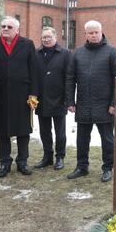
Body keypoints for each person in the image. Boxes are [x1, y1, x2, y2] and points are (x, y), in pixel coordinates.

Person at [65, 20, 116, 182]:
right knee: (82, 139)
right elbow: (70, 78)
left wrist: (114, 103)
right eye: (90, 33)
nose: (93, 35)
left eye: (96, 32)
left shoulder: (112, 52)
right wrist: (70, 101)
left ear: (101, 31)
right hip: (83, 104)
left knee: (107, 139)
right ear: (86, 34)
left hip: (105, 106)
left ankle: (107, 168)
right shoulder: (77, 53)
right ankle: (81, 167)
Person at [0, 16, 39, 178]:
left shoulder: (27, 44)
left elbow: (34, 70)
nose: (6, 29)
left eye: (9, 26)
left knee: (23, 130)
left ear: (17, 30)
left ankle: (22, 161)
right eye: (3, 26)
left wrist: (33, 94)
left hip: (22, 95)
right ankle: (4, 162)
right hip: (0, 95)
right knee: (2, 131)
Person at [33, 27, 71, 170]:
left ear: (55, 37)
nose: (46, 39)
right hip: (41, 99)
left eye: (49, 37)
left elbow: (69, 78)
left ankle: (60, 157)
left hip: (59, 99)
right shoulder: (36, 53)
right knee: (44, 131)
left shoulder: (65, 54)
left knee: (60, 132)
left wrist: (68, 100)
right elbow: (33, 76)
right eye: (44, 37)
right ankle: (47, 157)